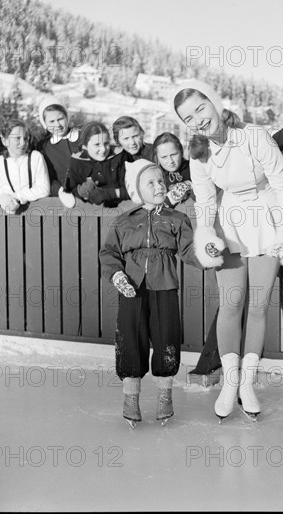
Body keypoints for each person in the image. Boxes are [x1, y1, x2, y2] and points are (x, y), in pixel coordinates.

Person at [173, 79, 283, 422]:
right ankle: (229, 383)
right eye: (188, 117)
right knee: (231, 304)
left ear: (215, 104)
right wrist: (205, 234)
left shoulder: (254, 136)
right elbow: (203, 201)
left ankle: (247, 384)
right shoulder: (199, 151)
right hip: (230, 222)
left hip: (267, 216)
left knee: (258, 306)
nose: (197, 120)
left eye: (200, 109)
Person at [99, 159, 203, 427]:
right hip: (132, 288)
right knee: (130, 338)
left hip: (165, 285)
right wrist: (116, 274)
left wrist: (206, 252)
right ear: (137, 190)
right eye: (151, 182)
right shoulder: (124, 221)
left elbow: (189, 251)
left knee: (166, 336)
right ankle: (130, 398)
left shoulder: (177, 219)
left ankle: (165, 395)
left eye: (161, 181)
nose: (159, 186)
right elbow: (109, 253)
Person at [0, 119, 50, 214]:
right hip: (10, 215)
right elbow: (0, 188)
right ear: (5, 140)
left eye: (25, 138)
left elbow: (44, 189)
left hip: (36, 213)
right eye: (17, 138)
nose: (23, 143)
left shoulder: (35, 157)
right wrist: (3, 198)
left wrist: (17, 197)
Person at [64, 121, 129, 207]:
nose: (103, 149)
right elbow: (70, 188)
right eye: (97, 145)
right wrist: (81, 192)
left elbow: (134, 189)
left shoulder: (120, 156)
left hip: (124, 211)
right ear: (85, 146)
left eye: (106, 143)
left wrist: (108, 194)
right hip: (90, 216)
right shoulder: (77, 161)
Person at [37, 95, 81, 209]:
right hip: (60, 203)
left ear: (67, 117)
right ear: (45, 124)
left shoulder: (82, 137)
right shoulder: (44, 147)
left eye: (60, 119)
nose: (57, 125)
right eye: (51, 121)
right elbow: (44, 176)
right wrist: (60, 191)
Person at [152, 131, 193, 209]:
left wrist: (190, 184)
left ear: (181, 152)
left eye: (174, 154)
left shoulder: (192, 167)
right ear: (157, 158)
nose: (170, 161)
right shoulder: (155, 176)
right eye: (164, 157)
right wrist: (170, 198)